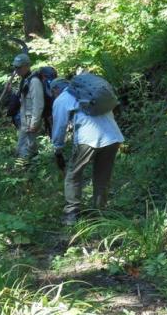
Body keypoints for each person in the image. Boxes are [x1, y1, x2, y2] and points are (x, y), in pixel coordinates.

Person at [50, 78, 124, 226]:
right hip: (113, 136)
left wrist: (57, 147)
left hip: (88, 138)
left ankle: (72, 213)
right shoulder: (91, 93)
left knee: (73, 175)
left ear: (56, 90)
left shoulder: (62, 99)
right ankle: (100, 213)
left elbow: (59, 126)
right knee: (102, 175)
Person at [13, 53, 45, 161]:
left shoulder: (34, 81)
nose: (16, 70)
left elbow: (38, 104)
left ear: (27, 66)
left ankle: (28, 171)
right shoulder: (25, 80)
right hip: (25, 119)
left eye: (19, 67)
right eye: (15, 67)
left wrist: (34, 123)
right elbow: (23, 99)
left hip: (31, 120)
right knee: (21, 147)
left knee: (28, 148)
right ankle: (25, 168)